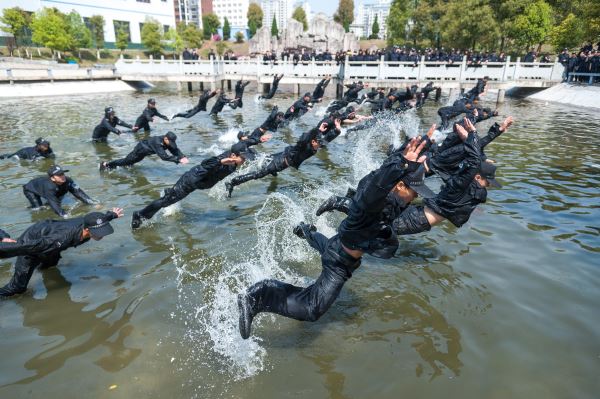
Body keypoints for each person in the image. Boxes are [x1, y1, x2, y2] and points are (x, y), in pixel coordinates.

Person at [237, 137, 430, 339]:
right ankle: (258, 296)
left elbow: (373, 187)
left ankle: (305, 231)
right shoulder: (376, 200)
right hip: (339, 263)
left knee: (327, 244)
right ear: (399, 186)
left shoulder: (390, 202)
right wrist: (399, 164)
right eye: (414, 192)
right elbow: (375, 188)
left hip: (338, 245)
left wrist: (402, 161)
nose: (415, 197)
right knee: (312, 309)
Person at [393, 119, 503, 236]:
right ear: (477, 177)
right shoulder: (467, 188)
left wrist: (472, 134)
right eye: (487, 182)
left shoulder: (466, 187)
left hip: (413, 220)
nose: (489, 185)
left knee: (375, 228)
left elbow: (475, 160)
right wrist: (470, 136)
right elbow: (474, 160)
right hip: (417, 217)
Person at [0, 208, 124, 297]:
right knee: (18, 288)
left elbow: (99, 219)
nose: (102, 234)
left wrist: (112, 214)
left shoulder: (90, 223)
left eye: (103, 229)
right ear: (86, 229)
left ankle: (42, 269)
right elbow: (29, 246)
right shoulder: (63, 238)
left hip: (50, 235)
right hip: (33, 242)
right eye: (99, 231)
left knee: (50, 265)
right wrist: (4, 248)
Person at [130, 143, 253, 228]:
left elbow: (244, 142)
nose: (245, 160)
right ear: (233, 156)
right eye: (243, 158)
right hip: (190, 181)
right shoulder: (223, 160)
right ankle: (139, 215)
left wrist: (257, 139)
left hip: (196, 184)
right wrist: (220, 161)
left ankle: (170, 192)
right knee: (166, 202)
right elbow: (205, 164)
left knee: (170, 199)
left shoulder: (234, 161)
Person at [225, 121, 333, 197]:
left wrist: (319, 132)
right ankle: (232, 182)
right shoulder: (304, 145)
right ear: (313, 142)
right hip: (279, 163)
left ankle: (253, 162)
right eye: (319, 143)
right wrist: (317, 129)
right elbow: (305, 136)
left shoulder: (312, 148)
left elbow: (310, 138)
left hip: (281, 158)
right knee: (257, 175)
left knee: (262, 162)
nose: (321, 146)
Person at [23, 165, 96, 218]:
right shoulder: (49, 187)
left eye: (62, 174)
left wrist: (93, 203)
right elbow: (54, 204)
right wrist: (64, 215)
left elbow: (79, 193)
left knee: (56, 199)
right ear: (53, 178)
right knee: (39, 209)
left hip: (46, 187)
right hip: (30, 189)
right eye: (59, 175)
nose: (62, 176)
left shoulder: (68, 180)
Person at [99, 132, 189, 171]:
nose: (171, 144)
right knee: (126, 160)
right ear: (165, 138)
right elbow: (164, 157)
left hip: (146, 151)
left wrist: (182, 156)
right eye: (170, 142)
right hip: (141, 149)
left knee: (130, 162)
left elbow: (175, 149)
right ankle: (106, 164)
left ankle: (125, 165)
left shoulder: (167, 141)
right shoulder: (157, 142)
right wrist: (178, 160)